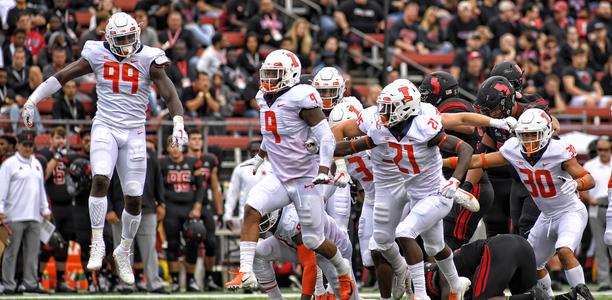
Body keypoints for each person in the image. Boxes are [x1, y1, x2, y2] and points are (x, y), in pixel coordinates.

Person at [21, 12, 188, 285]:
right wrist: (32, 100)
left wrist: (178, 124)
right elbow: (62, 76)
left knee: (134, 198)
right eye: (121, 39)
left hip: (135, 131)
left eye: (131, 37)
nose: (127, 43)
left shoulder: (149, 57)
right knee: (100, 178)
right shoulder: (97, 53)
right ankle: (97, 241)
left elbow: (170, 93)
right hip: (106, 126)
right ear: (109, 38)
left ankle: (124, 250)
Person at [224, 49, 355, 300]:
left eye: (275, 74)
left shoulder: (302, 96)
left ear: (291, 74)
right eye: (268, 73)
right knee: (252, 207)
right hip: (281, 176)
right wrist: (261, 155)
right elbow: (271, 132)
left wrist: (324, 170)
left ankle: (342, 268)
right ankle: (245, 271)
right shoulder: (263, 96)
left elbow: (326, 138)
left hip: (306, 178)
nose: (269, 79)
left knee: (315, 240)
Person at [332, 79, 478, 300]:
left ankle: (420, 294)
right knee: (435, 246)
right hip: (412, 191)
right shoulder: (383, 129)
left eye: (389, 108)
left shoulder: (424, 126)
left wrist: (455, 181)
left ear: (406, 108)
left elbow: (464, 148)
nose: (382, 113)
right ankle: (456, 285)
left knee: (404, 232)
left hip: (436, 192)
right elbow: (354, 145)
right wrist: (322, 147)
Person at [443, 108, 595, 298]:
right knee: (532, 263)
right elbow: (478, 160)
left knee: (564, 251)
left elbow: (589, 179)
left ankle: (583, 296)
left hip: (570, 210)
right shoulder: (513, 150)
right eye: (524, 135)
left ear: (547, 132)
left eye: (534, 134)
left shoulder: (559, 151)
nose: (529, 140)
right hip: (546, 215)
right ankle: (546, 297)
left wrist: (577, 183)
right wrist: (440, 162)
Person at [418, 71, 494, 250]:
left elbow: (468, 126)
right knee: (433, 240)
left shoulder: (452, 105)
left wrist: (432, 124)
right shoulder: (445, 106)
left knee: (447, 242)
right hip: (453, 182)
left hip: (468, 183)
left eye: (428, 93)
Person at [424, 234, 592, 300]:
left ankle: (532, 297)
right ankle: (572, 297)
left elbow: (450, 292)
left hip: (502, 249)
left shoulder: (439, 275)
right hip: (521, 247)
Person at [254, 204, 358, 300]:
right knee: (257, 253)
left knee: (346, 298)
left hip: (329, 250)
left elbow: (310, 265)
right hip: (299, 244)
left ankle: (342, 267)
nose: (261, 220)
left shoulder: (291, 220)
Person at [0, 130, 51, 294]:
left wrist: (45, 208)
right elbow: (2, 189)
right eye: (25, 145)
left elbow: (41, 189)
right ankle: (8, 284)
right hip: (14, 215)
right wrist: (0, 209)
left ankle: (30, 283)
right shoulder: (9, 164)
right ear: (18, 145)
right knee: (11, 253)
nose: (28, 148)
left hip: (35, 216)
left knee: (32, 253)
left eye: (30, 145)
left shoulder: (36, 163)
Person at [159, 136, 204, 292]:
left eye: (177, 145)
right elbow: (157, 187)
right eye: (172, 145)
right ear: (167, 147)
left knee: (194, 241)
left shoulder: (193, 162)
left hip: (189, 209)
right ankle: (176, 281)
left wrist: (198, 206)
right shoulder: (162, 163)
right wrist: (161, 205)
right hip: (170, 208)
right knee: (172, 244)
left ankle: (191, 280)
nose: (175, 148)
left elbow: (200, 187)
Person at [37, 126, 74, 292]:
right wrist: (56, 157)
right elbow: (43, 176)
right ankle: (38, 280)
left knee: (63, 244)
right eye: (57, 137)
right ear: (50, 139)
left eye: (63, 138)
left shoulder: (69, 156)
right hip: (51, 206)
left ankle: (61, 281)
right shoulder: (44, 154)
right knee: (48, 245)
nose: (60, 141)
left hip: (68, 205)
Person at [186, 129, 224, 291]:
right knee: (192, 241)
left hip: (206, 204)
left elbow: (215, 186)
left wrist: (220, 211)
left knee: (211, 242)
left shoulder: (209, 160)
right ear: (187, 141)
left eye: (199, 139)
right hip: (187, 204)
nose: (197, 142)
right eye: (193, 139)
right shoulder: (183, 159)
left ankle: (209, 278)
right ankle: (190, 280)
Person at [582, 137, 612, 291]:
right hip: (596, 206)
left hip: (611, 205)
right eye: (600, 150)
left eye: (606, 150)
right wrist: (589, 198)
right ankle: (604, 281)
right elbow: (582, 188)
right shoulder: (590, 165)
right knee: (600, 246)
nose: (602, 153)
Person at [224, 139, 271, 226]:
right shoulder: (241, 168)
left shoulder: (272, 168)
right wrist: (227, 215)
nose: (256, 154)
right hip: (246, 215)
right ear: (248, 152)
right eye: (253, 151)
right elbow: (232, 193)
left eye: (258, 151)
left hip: (269, 216)